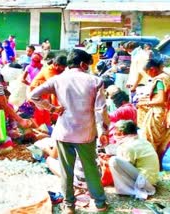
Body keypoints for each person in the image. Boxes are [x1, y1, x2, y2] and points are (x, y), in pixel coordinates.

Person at [29, 49, 109, 213]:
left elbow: (33, 95)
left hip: (63, 131)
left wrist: (52, 108)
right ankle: (100, 203)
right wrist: (103, 132)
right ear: (82, 64)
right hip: (86, 132)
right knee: (91, 168)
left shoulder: (57, 80)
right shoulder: (95, 81)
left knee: (66, 170)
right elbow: (100, 110)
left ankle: (69, 206)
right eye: (87, 65)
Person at [109, 120, 159, 200]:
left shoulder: (128, 146)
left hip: (145, 181)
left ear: (121, 133)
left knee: (114, 161)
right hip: (152, 179)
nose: (114, 135)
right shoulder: (141, 140)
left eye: (116, 132)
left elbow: (124, 167)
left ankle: (126, 190)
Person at [137, 58, 170, 157]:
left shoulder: (160, 80)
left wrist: (145, 103)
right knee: (161, 143)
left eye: (147, 72)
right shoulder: (167, 77)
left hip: (158, 114)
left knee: (151, 142)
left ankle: (153, 166)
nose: (147, 75)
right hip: (166, 114)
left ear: (152, 69)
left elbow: (161, 100)